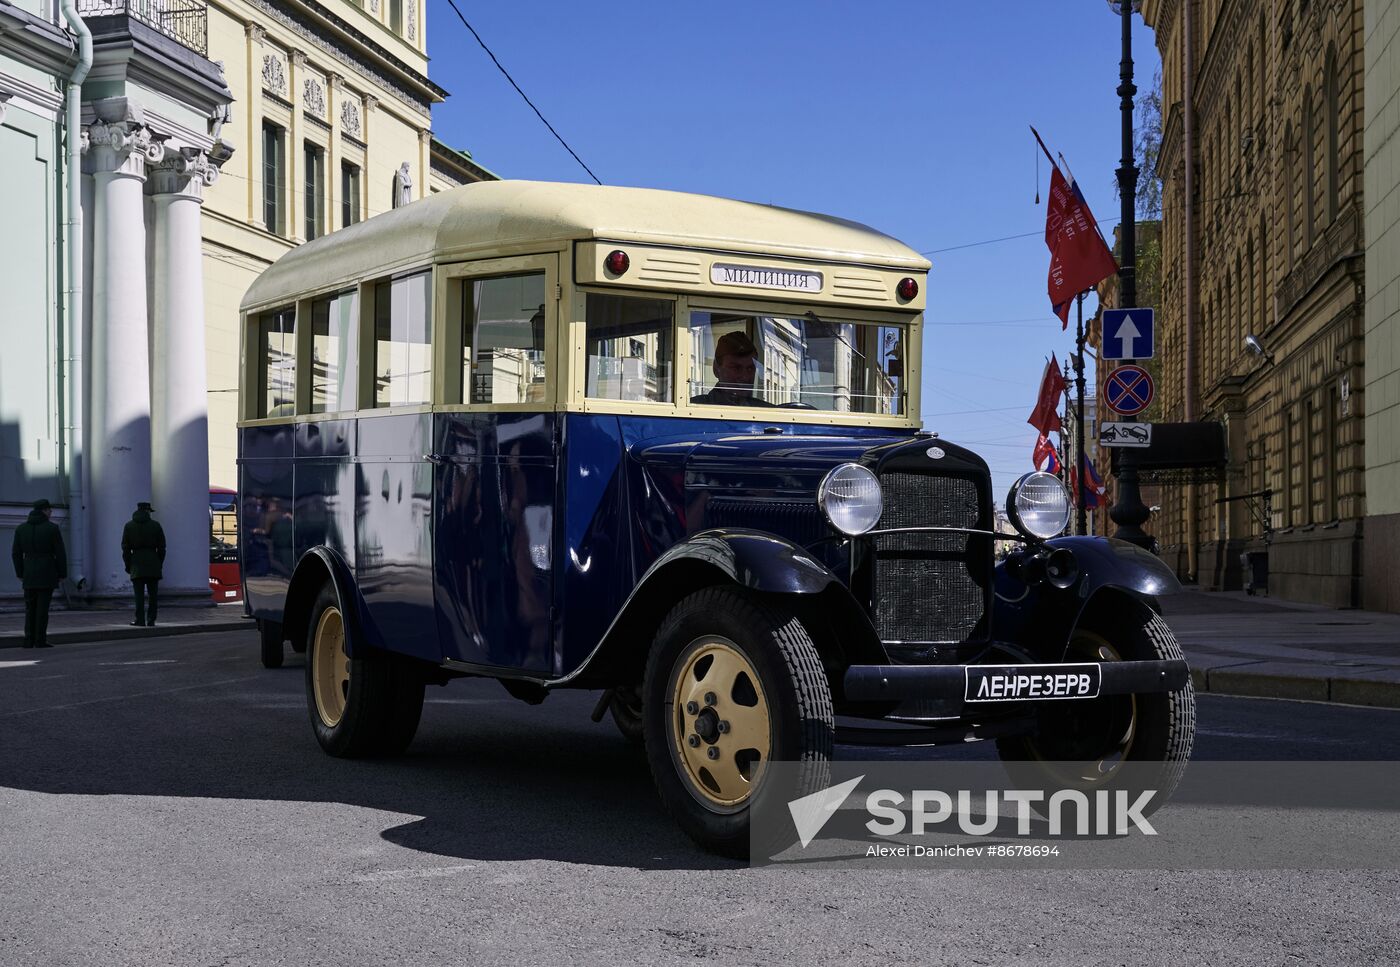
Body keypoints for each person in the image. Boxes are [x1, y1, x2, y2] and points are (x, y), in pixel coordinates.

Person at [10, 498, 67, 648]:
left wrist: (20, 572)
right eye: (49, 510)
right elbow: (60, 553)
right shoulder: (52, 528)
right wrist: (62, 573)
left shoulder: (21, 529)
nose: (51, 512)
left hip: (28, 572)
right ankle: (40, 639)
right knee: (43, 608)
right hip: (47, 572)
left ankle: (28, 639)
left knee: (30, 608)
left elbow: (16, 553)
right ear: (44, 511)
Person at [690, 330, 773, 406]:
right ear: (716, 369)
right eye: (736, 368)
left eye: (750, 369)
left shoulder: (766, 412)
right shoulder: (695, 408)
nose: (745, 376)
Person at [122, 501, 166, 627]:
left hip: (136, 562)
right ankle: (151, 619)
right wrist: (159, 562)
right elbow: (162, 547)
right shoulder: (156, 525)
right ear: (147, 511)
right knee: (153, 595)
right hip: (153, 562)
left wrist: (128, 564)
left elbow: (125, 548)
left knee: (138, 595)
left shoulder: (129, 526)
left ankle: (139, 619)